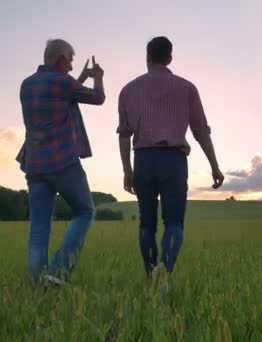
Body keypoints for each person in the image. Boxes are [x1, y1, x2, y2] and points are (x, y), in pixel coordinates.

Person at [117, 36, 224, 277]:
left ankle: (151, 274)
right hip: (174, 162)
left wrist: (127, 170)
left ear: (147, 57)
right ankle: (164, 275)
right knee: (174, 223)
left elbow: (124, 135)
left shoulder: (129, 90)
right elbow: (201, 131)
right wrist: (214, 167)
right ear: (170, 58)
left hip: (143, 160)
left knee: (146, 224)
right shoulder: (187, 88)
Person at [16, 38, 105, 285]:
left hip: (34, 163)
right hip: (62, 160)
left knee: (39, 226)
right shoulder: (63, 82)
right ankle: (58, 272)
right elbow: (98, 98)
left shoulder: (27, 84)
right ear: (62, 59)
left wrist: (80, 77)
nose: (71, 65)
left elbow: (63, 93)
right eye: (71, 61)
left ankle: (38, 283)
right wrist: (97, 76)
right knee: (85, 211)